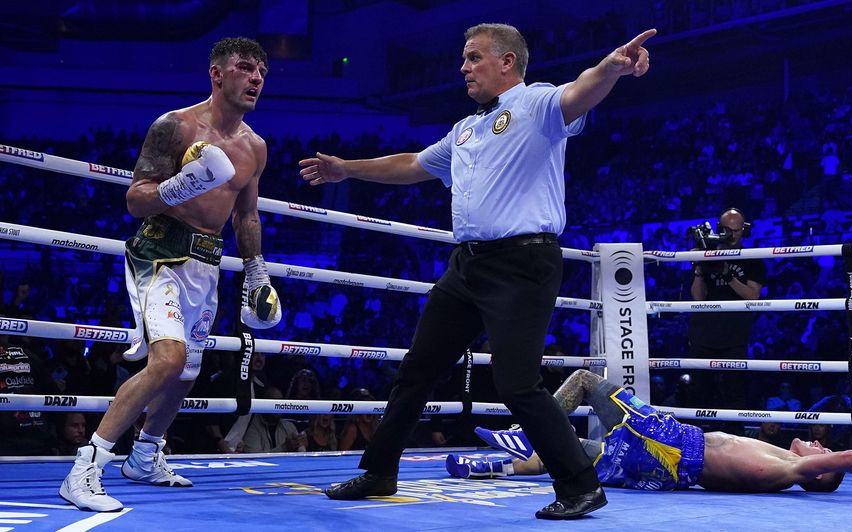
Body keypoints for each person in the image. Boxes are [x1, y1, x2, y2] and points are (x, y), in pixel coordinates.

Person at [300, 23, 655, 519]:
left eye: (473, 58)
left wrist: (613, 67)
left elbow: (581, 91)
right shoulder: (465, 128)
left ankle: (580, 485)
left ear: (507, 61)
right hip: (466, 267)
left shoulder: (536, 105)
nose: (463, 67)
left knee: (516, 383)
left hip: (522, 263)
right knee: (417, 370)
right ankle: (379, 470)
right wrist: (348, 169)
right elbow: (412, 164)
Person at [60, 37, 282, 512]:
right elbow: (136, 199)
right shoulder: (175, 126)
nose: (257, 77)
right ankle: (85, 468)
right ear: (217, 74)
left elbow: (246, 216)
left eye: (262, 70)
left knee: (188, 371)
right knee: (167, 360)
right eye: (245, 67)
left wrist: (257, 273)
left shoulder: (255, 147)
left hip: (208, 261)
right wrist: (185, 183)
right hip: (158, 251)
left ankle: (145, 456)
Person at [452, 370, 852, 495]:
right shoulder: (781, 466)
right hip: (670, 468)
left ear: (817, 473)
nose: (819, 444)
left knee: (585, 382)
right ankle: (485, 467)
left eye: (821, 452)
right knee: (580, 455)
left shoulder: (792, 469)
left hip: (674, 442)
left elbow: (850, 459)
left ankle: (526, 431)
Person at [687, 208, 767, 415]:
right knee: (700, 394)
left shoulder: (752, 258)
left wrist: (727, 275)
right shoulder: (706, 254)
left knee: (735, 395)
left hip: (734, 337)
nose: (732, 235)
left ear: (744, 230)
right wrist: (698, 267)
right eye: (727, 230)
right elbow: (698, 296)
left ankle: (735, 440)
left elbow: (753, 295)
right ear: (720, 229)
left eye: (737, 230)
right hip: (703, 335)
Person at [242, 387, 307, 453]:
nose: (278, 405)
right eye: (274, 401)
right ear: (265, 403)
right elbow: (253, 456)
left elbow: (300, 453)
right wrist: (284, 447)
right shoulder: (252, 425)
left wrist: (301, 445)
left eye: (280, 401)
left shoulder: (289, 426)